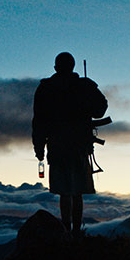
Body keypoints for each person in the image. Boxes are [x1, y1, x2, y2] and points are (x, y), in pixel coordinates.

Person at [32, 52, 108, 237]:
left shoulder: (46, 88)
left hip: (58, 147)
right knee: (78, 191)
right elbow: (101, 109)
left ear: (56, 67)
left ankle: (66, 231)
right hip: (80, 145)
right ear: (73, 66)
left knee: (65, 192)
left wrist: (39, 148)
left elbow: (39, 121)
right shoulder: (84, 85)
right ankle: (75, 232)